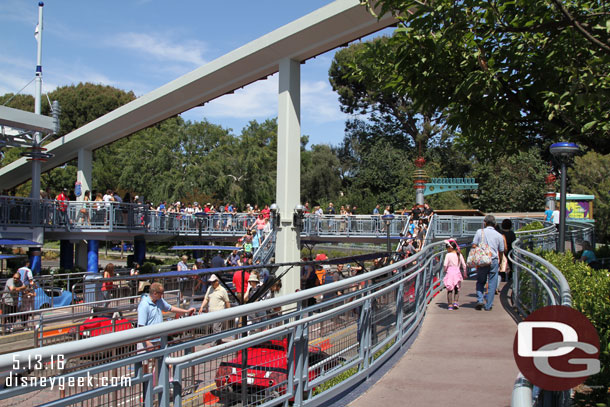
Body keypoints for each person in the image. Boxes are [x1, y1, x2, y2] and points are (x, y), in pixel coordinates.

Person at [137, 283, 195, 369]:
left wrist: (186, 311)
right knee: (145, 365)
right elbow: (141, 326)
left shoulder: (159, 301)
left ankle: (155, 381)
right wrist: (147, 342)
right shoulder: (144, 305)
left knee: (156, 363)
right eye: (161, 293)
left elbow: (170, 308)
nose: (162, 295)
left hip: (157, 339)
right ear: (155, 293)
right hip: (147, 340)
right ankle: (146, 382)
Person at [472, 215, 505, 311]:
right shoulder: (499, 235)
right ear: (495, 224)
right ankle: (488, 305)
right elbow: (501, 250)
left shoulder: (479, 232)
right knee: (492, 283)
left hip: (482, 260)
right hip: (494, 260)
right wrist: (500, 260)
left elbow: (474, 244)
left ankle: (480, 300)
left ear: (484, 223)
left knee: (480, 281)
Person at [199, 275, 231, 344]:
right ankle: (218, 341)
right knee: (214, 327)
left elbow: (227, 302)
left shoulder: (223, 290)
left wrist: (229, 312)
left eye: (213, 282)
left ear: (217, 281)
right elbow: (206, 298)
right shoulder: (210, 288)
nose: (212, 283)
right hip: (211, 312)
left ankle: (214, 342)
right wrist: (202, 307)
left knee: (216, 328)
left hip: (219, 312)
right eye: (211, 282)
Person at [443, 239, 467, 310]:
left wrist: (445, 270)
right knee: (457, 288)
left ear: (450, 248)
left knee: (449, 289)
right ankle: (455, 302)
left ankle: (450, 305)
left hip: (450, 273)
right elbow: (464, 265)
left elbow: (445, 264)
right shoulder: (459, 254)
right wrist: (465, 273)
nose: (446, 249)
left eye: (447, 248)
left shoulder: (448, 255)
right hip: (457, 273)